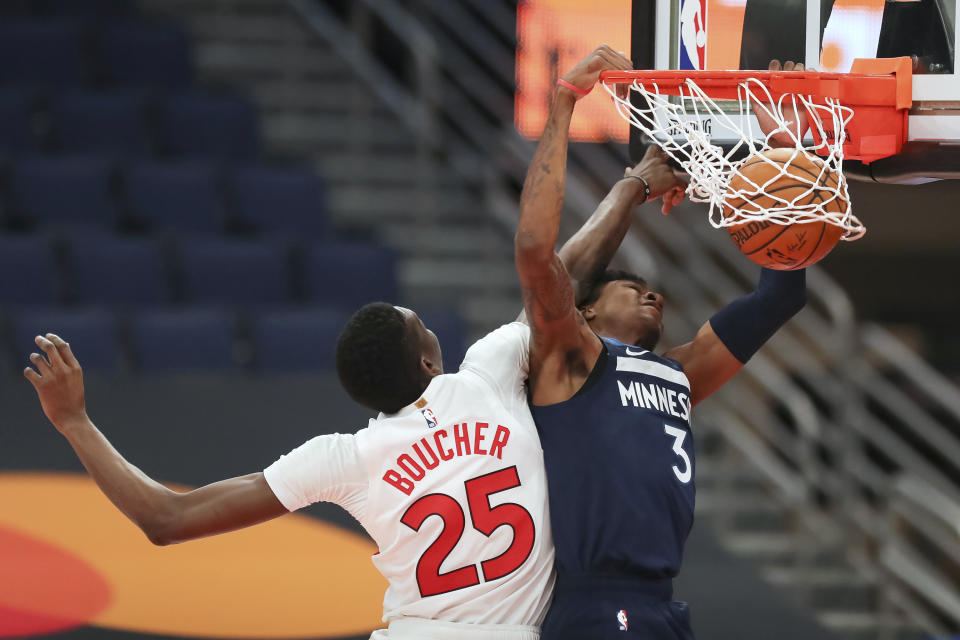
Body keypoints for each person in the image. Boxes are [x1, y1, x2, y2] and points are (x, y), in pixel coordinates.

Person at [23, 107, 684, 638]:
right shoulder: (486, 374)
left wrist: (75, 422)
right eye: (422, 323)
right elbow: (556, 276)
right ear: (429, 359)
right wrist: (633, 185)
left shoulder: (348, 457)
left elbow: (166, 518)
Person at [514, 46, 807, 638]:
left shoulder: (676, 372)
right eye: (631, 286)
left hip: (661, 603)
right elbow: (543, 262)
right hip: (595, 598)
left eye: (653, 290)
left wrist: (783, 154)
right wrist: (617, 165)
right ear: (588, 309)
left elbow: (781, 296)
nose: (654, 296)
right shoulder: (569, 360)